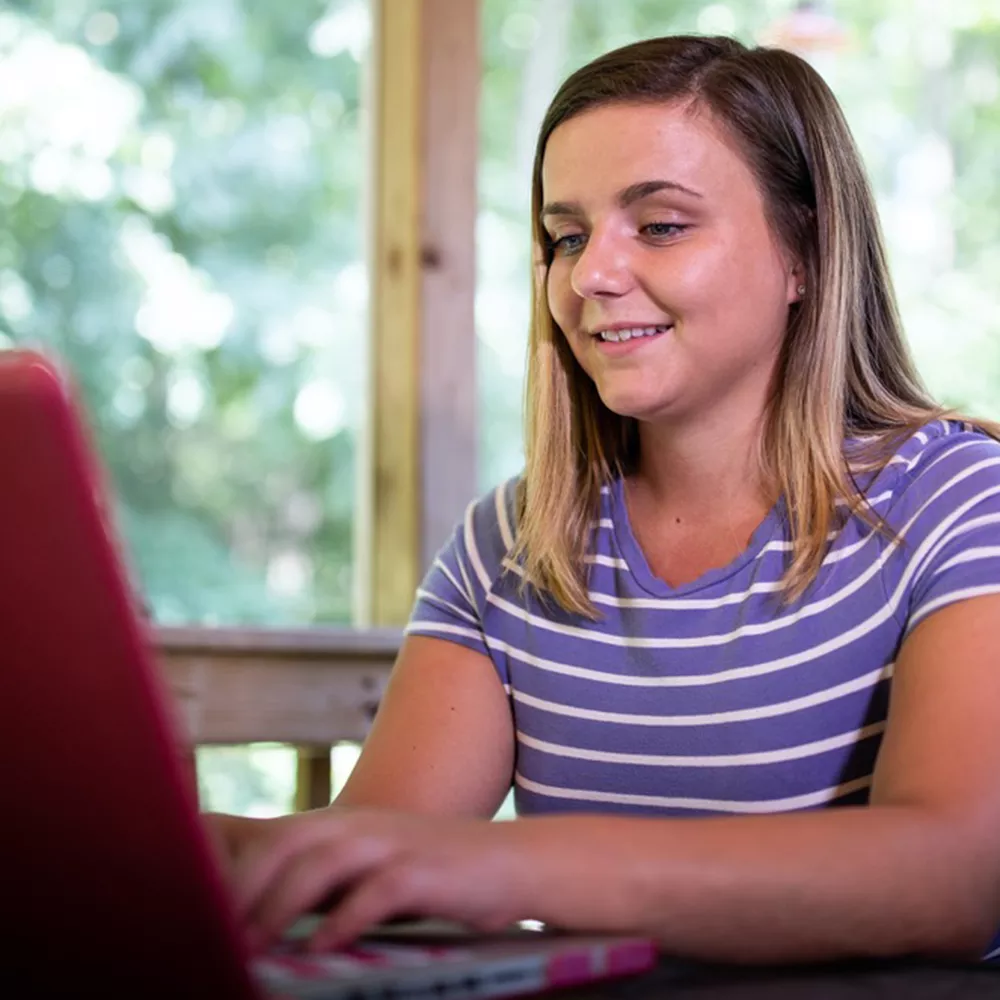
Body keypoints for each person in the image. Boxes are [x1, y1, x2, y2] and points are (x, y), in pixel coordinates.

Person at [210, 35, 1000, 964]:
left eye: (659, 225)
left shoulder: (960, 500)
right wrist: (169, 840)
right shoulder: (508, 544)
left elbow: (953, 880)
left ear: (807, 256)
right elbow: (372, 861)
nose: (589, 275)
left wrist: (508, 867)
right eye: (567, 237)